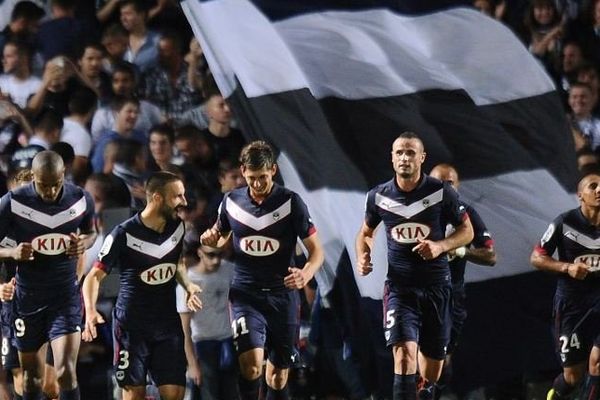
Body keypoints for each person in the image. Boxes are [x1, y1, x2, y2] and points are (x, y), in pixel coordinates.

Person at [200, 140, 324, 400]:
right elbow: (221, 236)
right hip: (246, 293)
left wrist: (306, 273)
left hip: (283, 294)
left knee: (278, 374)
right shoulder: (231, 201)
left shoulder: (290, 203)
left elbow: (316, 251)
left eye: (263, 177)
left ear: (274, 171)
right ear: (243, 171)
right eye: (253, 178)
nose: (257, 184)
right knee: (252, 364)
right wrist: (211, 239)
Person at [355, 132, 474, 400]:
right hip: (400, 288)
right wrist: (363, 254)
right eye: (399, 153)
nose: (405, 158)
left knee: (430, 373)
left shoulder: (441, 192)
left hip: (437, 288)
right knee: (404, 354)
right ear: (392, 158)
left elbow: (467, 232)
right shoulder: (378, 196)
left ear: (421, 158)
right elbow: (365, 233)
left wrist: (440, 246)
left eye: (410, 153)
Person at [81, 171, 201, 400]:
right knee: (134, 394)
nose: (184, 202)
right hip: (132, 326)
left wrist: (188, 285)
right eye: (178, 196)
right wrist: (91, 311)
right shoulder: (123, 233)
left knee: (174, 392)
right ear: (157, 198)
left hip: (167, 322)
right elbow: (93, 276)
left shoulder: (177, 227)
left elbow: (177, 262)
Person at [0, 150, 96, 400]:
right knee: (31, 379)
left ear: (64, 175)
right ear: (33, 177)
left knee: (65, 373)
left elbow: (91, 232)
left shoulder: (80, 199)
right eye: (44, 185)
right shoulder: (12, 202)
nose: (51, 191)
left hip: (63, 297)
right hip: (27, 299)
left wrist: (83, 242)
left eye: (56, 184)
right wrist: (12, 253)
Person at [427, 163, 496, 398]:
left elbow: (490, 256)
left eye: (450, 183)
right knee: (411, 357)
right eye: (440, 183)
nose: (445, 187)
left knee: (441, 361)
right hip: (417, 293)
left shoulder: (466, 213)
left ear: (458, 186)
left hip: (450, 295)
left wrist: (461, 251)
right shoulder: (415, 211)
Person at [530, 173, 600, 400]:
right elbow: (537, 258)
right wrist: (567, 268)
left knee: (597, 363)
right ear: (580, 195)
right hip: (572, 305)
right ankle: (556, 394)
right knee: (573, 376)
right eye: (593, 186)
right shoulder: (564, 222)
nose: (599, 190)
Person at [177, 244, 238, 400]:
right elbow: (184, 329)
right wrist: (191, 364)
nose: (216, 260)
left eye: (220, 254)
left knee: (232, 392)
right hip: (203, 343)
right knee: (209, 394)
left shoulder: (229, 270)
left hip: (228, 339)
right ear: (200, 253)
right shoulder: (189, 280)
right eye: (211, 255)